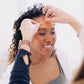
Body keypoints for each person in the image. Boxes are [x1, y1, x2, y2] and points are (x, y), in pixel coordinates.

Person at [8, 4, 82, 84]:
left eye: (52, 32)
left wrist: (71, 20)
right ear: (26, 35)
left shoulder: (61, 57)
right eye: (42, 33)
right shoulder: (12, 72)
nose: (49, 39)